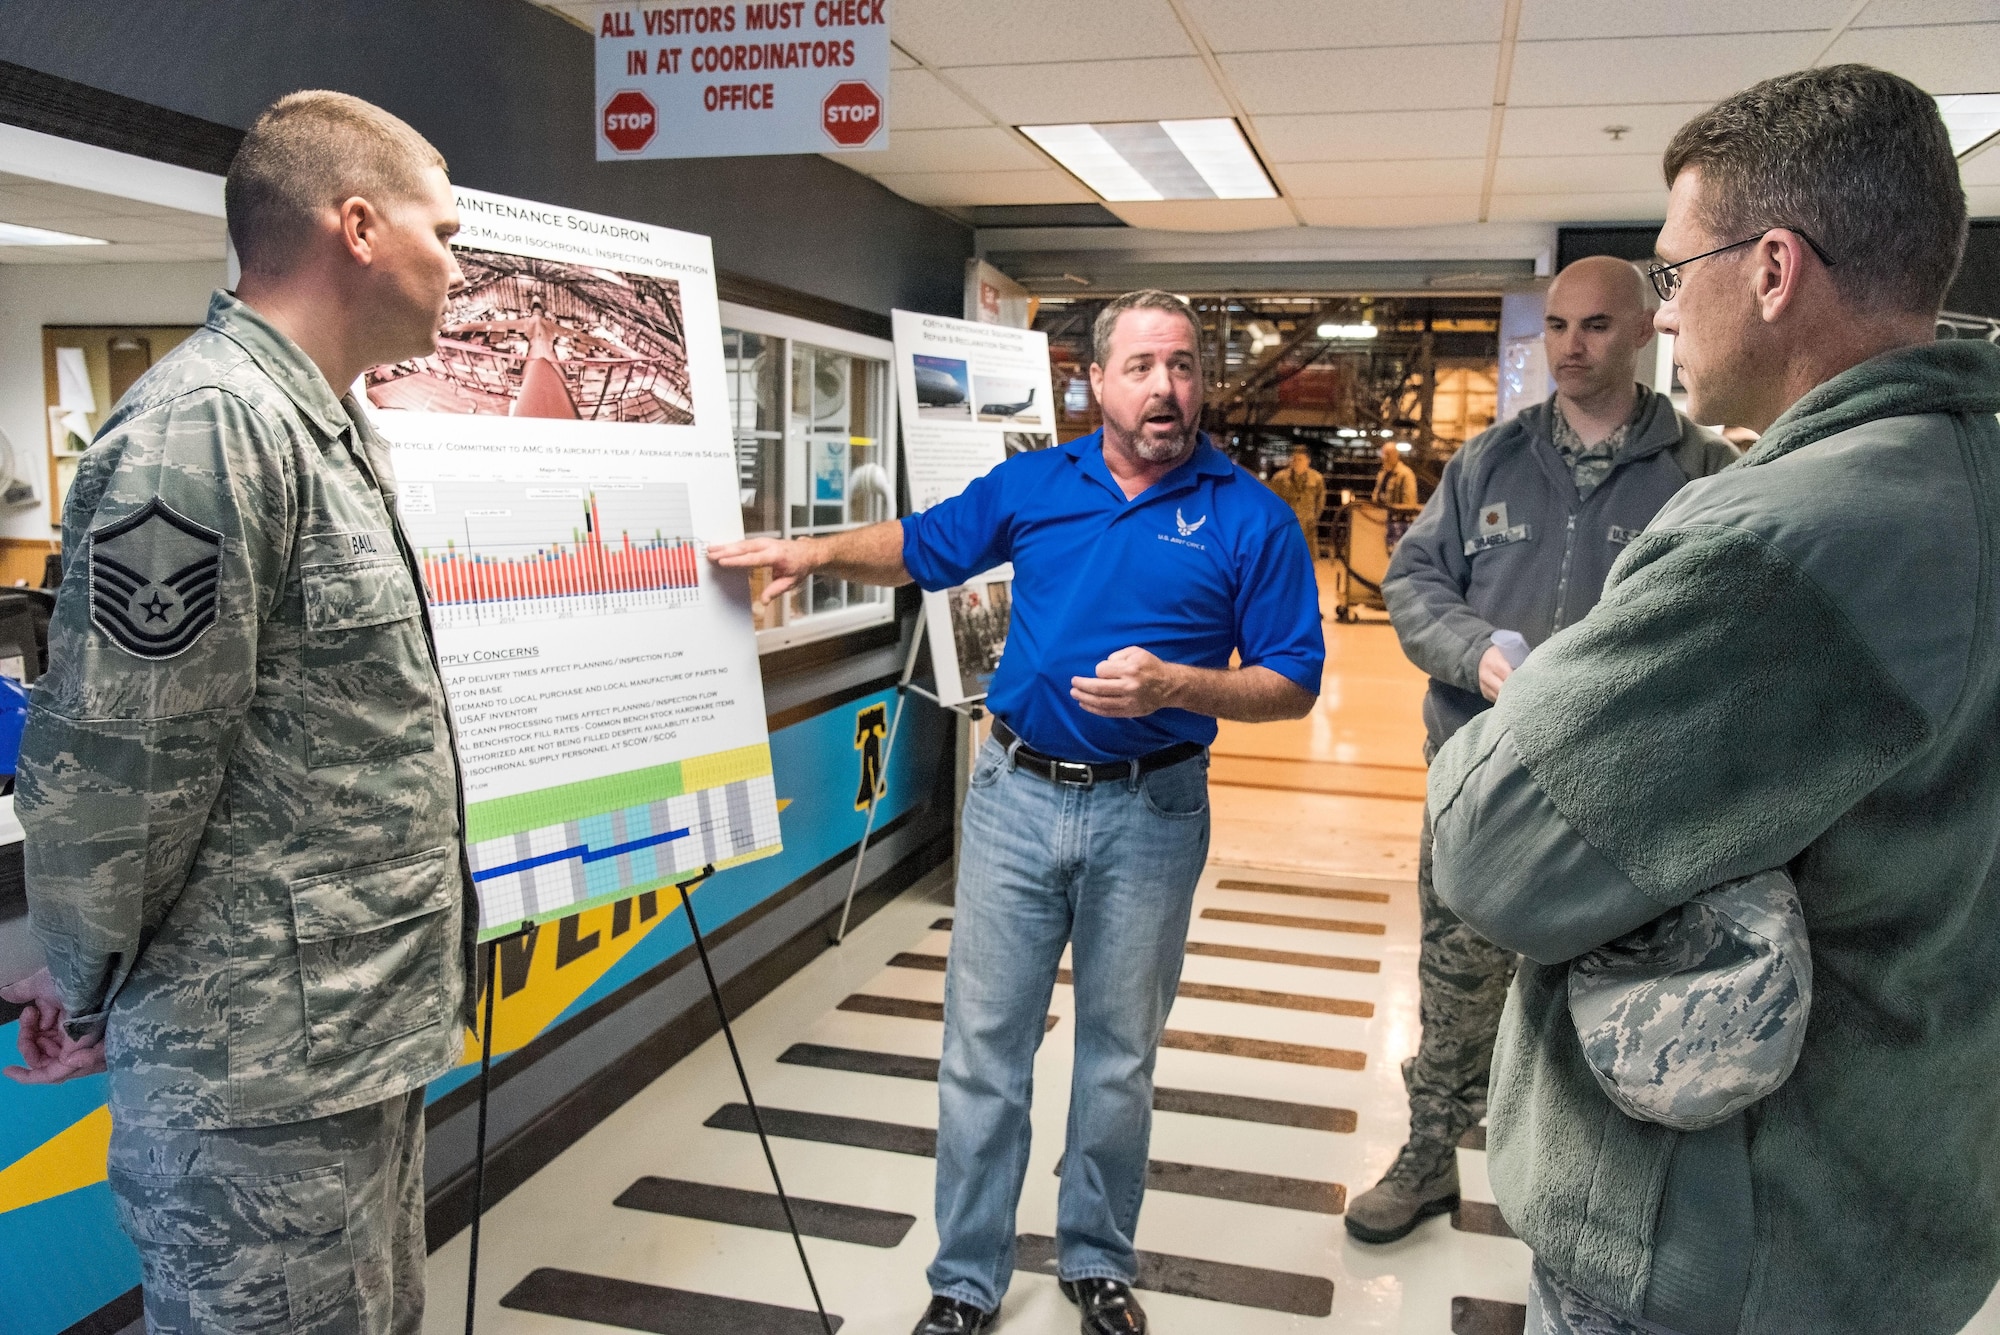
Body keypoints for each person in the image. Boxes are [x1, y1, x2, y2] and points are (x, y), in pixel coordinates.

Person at [1428, 65, 2000, 1335]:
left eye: (1676, 276)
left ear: (1774, 269)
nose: (1665, 318)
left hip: (1726, 1243)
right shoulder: (1966, 473)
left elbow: (1489, 842)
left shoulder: (1784, 538)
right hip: (1900, 1202)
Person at [711, 290, 1323, 1335]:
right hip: (1013, 798)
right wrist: (807, 554)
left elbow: (1292, 684)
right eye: (1140, 367)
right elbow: (919, 545)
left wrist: (1178, 685)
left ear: (1201, 381)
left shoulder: (1247, 517)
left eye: (1181, 367)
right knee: (982, 1048)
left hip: (1154, 813)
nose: (1164, 388)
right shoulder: (1037, 483)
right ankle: (965, 1279)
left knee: (1118, 1055)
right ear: (1095, 381)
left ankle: (1094, 1259)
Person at [0, 91, 472, 1333]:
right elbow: (120, 766)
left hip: (345, 1047)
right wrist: (86, 979)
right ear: (358, 227)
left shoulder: (323, 424)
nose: (458, 265)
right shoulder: (203, 433)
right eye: (448, 230)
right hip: (252, 1077)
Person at [1352, 255, 1734, 1244]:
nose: (1570, 345)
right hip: (1481, 791)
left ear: (1643, 332)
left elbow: (1729, 626)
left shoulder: (1699, 474)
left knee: (1612, 1004)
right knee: (1454, 982)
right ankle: (1429, 1159)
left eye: (1595, 327)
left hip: (1621, 804)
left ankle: (1588, 1203)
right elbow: (1412, 586)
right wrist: (1476, 655)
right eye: (1555, 327)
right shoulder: (1489, 461)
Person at [1268, 442, 1326, 550]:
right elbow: (1272, 500)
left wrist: (1313, 518)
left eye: (1300, 459)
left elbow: (1320, 501)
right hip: (1286, 524)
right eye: (1294, 459)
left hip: (1308, 526)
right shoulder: (1280, 479)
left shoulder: (1316, 479)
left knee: (1307, 555)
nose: (1296, 462)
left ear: (1308, 461)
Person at [1371, 440, 1418, 508]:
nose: (1384, 457)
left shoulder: (1405, 474)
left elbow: (1409, 504)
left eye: (1388, 454)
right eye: (1383, 454)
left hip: (1397, 517)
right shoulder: (1383, 473)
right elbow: (1376, 495)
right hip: (1380, 514)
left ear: (1396, 455)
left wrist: (1393, 508)